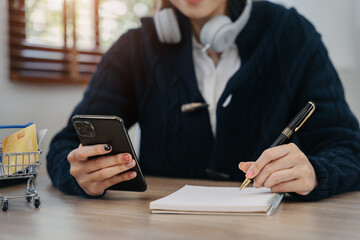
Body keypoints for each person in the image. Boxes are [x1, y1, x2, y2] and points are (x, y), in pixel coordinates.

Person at [47, 0, 360, 200]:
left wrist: (316, 172)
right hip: (162, 230)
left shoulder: (292, 35)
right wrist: (77, 173)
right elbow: (66, 146)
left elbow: (349, 147)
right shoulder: (135, 47)